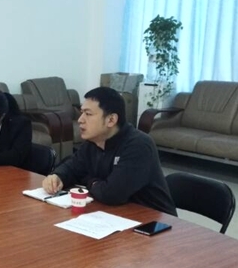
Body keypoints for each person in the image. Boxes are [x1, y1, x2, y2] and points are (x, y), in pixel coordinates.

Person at [42, 86, 177, 215]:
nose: (80, 120)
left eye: (88, 114)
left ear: (111, 120)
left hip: (155, 221)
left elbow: (112, 194)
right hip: (117, 214)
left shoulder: (138, 145)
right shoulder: (93, 142)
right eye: (81, 113)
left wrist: (89, 181)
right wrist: (57, 176)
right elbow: (72, 167)